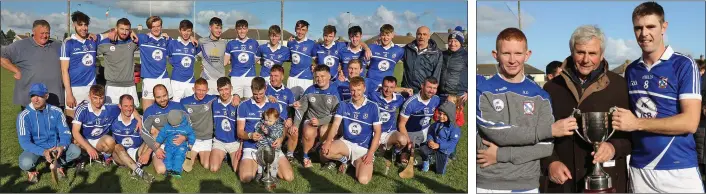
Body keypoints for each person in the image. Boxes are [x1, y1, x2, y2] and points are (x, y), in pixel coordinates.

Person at [612, 2, 704, 193]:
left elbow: (690, 122)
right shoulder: (631, 70)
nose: (644, 33)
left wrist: (637, 123)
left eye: (650, 26)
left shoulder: (684, 64)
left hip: (679, 169)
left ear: (664, 27)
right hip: (640, 170)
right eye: (638, 28)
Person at [540, 25, 632, 193]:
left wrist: (614, 147)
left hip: (607, 183)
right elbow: (540, 133)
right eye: (580, 52)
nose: (585, 59)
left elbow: (633, 135)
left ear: (602, 54)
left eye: (592, 53)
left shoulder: (620, 86)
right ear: (571, 51)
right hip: (563, 182)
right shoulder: (551, 88)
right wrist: (550, 162)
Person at [476, 27, 567, 193]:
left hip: (528, 184)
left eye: (518, 53)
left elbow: (546, 146)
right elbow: (499, 134)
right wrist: (547, 131)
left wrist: (501, 155)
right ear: (495, 55)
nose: (512, 60)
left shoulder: (541, 95)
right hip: (488, 183)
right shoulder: (482, 91)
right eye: (506, 53)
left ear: (527, 55)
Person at [321, 76, 382, 184]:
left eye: (359, 90)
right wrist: (328, 141)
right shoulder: (343, 105)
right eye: (353, 90)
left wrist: (371, 153)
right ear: (349, 90)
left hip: (363, 149)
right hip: (346, 143)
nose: (356, 93)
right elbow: (335, 125)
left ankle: (355, 163)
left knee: (363, 180)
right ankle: (344, 160)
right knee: (325, 152)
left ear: (364, 89)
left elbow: (377, 132)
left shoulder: (373, 107)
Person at [17, 83, 81, 183]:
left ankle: (58, 164)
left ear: (46, 96)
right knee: (25, 163)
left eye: (39, 96)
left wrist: (62, 146)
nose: (36, 99)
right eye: (33, 96)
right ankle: (32, 171)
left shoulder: (57, 111)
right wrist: (43, 152)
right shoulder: (24, 116)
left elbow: (65, 133)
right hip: (36, 149)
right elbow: (24, 142)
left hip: (55, 148)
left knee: (76, 151)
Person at [237, 77, 294, 182]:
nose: (258, 97)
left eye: (261, 93)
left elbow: (282, 127)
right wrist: (250, 135)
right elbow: (240, 132)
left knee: (288, 177)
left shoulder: (274, 104)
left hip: (272, 147)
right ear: (251, 90)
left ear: (266, 88)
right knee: (245, 178)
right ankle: (261, 167)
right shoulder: (243, 106)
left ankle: (267, 167)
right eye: (255, 94)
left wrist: (280, 140)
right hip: (252, 147)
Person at [2, 20, 64, 109]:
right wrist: (15, 70)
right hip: (31, 100)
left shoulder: (58, 45)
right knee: (32, 123)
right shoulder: (20, 45)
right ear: (33, 32)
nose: (45, 36)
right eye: (42, 33)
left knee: (56, 123)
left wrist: (89, 37)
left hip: (55, 98)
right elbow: (2, 57)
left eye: (47, 33)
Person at [293, 65, 342, 168]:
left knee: (324, 131)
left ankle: (321, 150)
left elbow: (336, 114)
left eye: (322, 76)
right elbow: (301, 109)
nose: (319, 79)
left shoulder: (335, 92)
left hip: (326, 121)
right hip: (311, 120)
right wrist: (296, 125)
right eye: (317, 76)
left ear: (329, 76)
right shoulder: (310, 90)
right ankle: (306, 156)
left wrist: (320, 121)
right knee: (308, 131)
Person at [140, 84, 189, 175]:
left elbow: (189, 124)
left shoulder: (178, 106)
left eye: (164, 96)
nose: (162, 99)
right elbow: (144, 132)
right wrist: (156, 149)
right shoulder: (150, 111)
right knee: (161, 170)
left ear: (168, 94)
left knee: (177, 168)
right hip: (160, 144)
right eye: (158, 97)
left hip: (176, 142)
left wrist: (184, 137)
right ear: (154, 97)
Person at [61, 11, 100, 119]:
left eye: (85, 25)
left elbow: (110, 34)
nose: (83, 28)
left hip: (91, 87)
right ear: (74, 25)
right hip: (74, 89)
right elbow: (64, 71)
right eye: (80, 25)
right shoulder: (68, 43)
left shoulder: (92, 40)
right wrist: (69, 94)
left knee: (90, 121)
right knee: (72, 121)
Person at [72, 85, 121, 167]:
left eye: (101, 98)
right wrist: (88, 148)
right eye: (95, 98)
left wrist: (139, 119)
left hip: (100, 139)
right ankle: (83, 157)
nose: (98, 101)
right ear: (89, 97)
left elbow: (127, 107)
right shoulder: (82, 109)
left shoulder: (110, 108)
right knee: (75, 140)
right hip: (85, 139)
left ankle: (105, 157)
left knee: (110, 142)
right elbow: (75, 132)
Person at [108, 94, 154, 182]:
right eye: (125, 106)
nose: (129, 109)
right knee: (117, 147)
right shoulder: (113, 120)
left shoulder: (141, 119)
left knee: (150, 138)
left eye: (131, 106)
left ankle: (135, 168)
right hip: (120, 155)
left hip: (137, 153)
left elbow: (154, 134)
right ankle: (139, 171)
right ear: (119, 106)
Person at [396, 76, 441, 165]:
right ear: (422, 86)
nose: (431, 91)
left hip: (426, 131)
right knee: (404, 160)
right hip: (411, 132)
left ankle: (424, 153)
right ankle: (403, 151)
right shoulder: (411, 103)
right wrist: (408, 141)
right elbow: (401, 124)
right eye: (429, 87)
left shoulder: (436, 99)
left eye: (434, 88)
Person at [367, 76, 407, 171]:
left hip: (389, 131)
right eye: (385, 86)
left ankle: (393, 151)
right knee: (369, 151)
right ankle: (378, 150)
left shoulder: (400, 99)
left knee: (403, 140)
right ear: (382, 86)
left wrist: (407, 90)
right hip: (373, 131)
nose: (388, 90)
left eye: (391, 87)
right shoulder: (373, 95)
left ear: (395, 88)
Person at [97, 18, 140, 107]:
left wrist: (133, 33)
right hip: (112, 87)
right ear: (116, 28)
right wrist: (107, 34)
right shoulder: (105, 43)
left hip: (129, 86)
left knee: (130, 115)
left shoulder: (133, 42)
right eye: (121, 29)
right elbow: (90, 42)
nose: (124, 32)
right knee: (112, 114)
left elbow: (149, 40)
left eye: (127, 29)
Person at [180, 78, 218, 172]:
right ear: (193, 89)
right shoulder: (184, 102)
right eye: (198, 90)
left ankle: (199, 155)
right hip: (193, 138)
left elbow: (226, 96)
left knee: (206, 165)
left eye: (204, 90)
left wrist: (236, 96)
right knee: (188, 166)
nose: (201, 93)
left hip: (207, 139)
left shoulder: (212, 99)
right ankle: (192, 154)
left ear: (207, 90)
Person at [137, 16, 173, 111]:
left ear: (161, 26)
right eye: (153, 26)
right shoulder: (142, 38)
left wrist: (191, 38)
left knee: (168, 111)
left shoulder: (166, 40)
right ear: (149, 27)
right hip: (149, 79)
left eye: (158, 26)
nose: (156, 29)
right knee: (148, 112)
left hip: (164, 78)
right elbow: (126, 33)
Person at [265, 66, 296, 162]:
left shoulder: (288, 92)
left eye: (276, 76)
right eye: (271, 76)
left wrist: (290, 118)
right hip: (268, 121)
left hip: (284, 122)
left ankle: (290, 154)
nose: (273, 78)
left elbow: (291, 108)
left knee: (294, 130)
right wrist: (266, 97)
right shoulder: (265, 89)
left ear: (282, 77)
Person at [210, 77, 241, 172]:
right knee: (213, 168)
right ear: (218, 90)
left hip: (234, 143)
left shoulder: (238, 103)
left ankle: (227, 156)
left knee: (238, 170)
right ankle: (223, 155)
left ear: (231, 88)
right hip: (219, 142)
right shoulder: (214, 102)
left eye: (226, 89)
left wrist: (237, 95)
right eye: (221, 90)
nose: (224, 93)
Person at [420, 101, 460, 174]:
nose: (441, 116)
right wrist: (430, 140)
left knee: (439, 172)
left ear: (450, 115)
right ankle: (426, 161)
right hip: (433, 146)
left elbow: (452, 143)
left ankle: (446, 159)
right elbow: (431, 131)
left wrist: (439, 146)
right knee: (423, 149)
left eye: (444, 114)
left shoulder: (455, 128)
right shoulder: (438, 123)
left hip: (444, 150)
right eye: (440, 113)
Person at [153, 110, 196, 178]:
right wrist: (158, 141)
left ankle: (176, 171)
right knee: (167, 156)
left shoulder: (186, 127)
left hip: (181, 147)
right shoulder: (167, 127)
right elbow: (162, 134)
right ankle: (169, 169)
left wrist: (191, 144)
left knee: (179, 157)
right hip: (169, 145)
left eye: (177, 125)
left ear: (181, 120)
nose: (175, 126)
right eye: (173, 125)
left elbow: (191, 135)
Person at [166, 19, 201, 103]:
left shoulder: (194, 44)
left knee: (190, 106)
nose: (186, 33)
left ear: (191, 31)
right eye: (184, 30)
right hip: (176, 81)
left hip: (190, 81)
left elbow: (203, 58)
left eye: (188, 31)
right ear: (179, 30)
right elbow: (167, 57)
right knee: (175, 106)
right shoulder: (172, 43)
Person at [401, 26, 443, 93]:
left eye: (424, 34)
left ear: (429, 36)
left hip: (423, 92)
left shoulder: (437, 53)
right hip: (407, 91)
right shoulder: (407, 49)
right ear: (416, 35)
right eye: (419, 34)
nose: (421, 37)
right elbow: (393, 52)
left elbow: (436, 75)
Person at [224, 19, 259, 99]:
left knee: (249, 102)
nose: (242, 31)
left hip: (250, 77)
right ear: (236, 30)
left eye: (244, 29)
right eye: (239, 29)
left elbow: (258, 59)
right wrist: (208, 65)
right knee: (234, 102)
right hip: (235, 78)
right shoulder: (231, 44)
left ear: (247, 30)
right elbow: (225, 62)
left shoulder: (254, 43)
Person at [286, 20, 316, 99]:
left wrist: (314, 66)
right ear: (295, 29)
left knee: (305, 104)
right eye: (298, 29)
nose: (300, 32)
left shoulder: (311, 44)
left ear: (306, 31)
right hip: (292, 77)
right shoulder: (290, 43)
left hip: (306, 79)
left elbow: (316, 60)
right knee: (290, 103)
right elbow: (289, 57)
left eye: (303, 30)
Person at [254, 108, 285, 180]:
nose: (267, 122)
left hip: (273, 149)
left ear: (276, 119)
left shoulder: (279, 126)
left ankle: (273, 175)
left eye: (270, 121)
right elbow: (256, 130)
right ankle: (260, 173)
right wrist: (260, 130)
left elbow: (277, 135)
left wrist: (269, 132)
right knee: (260, 161)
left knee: (274, 162)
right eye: (266, 120)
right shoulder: (262, 123)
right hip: (262, 147)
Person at [199, 17, 227, 95]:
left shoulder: (224, 43)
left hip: (220, 81)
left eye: (220, 28)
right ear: (210, 27)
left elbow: (232, 57)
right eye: (216, 28)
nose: (219, 30)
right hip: (206, 80)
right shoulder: (201, 41)